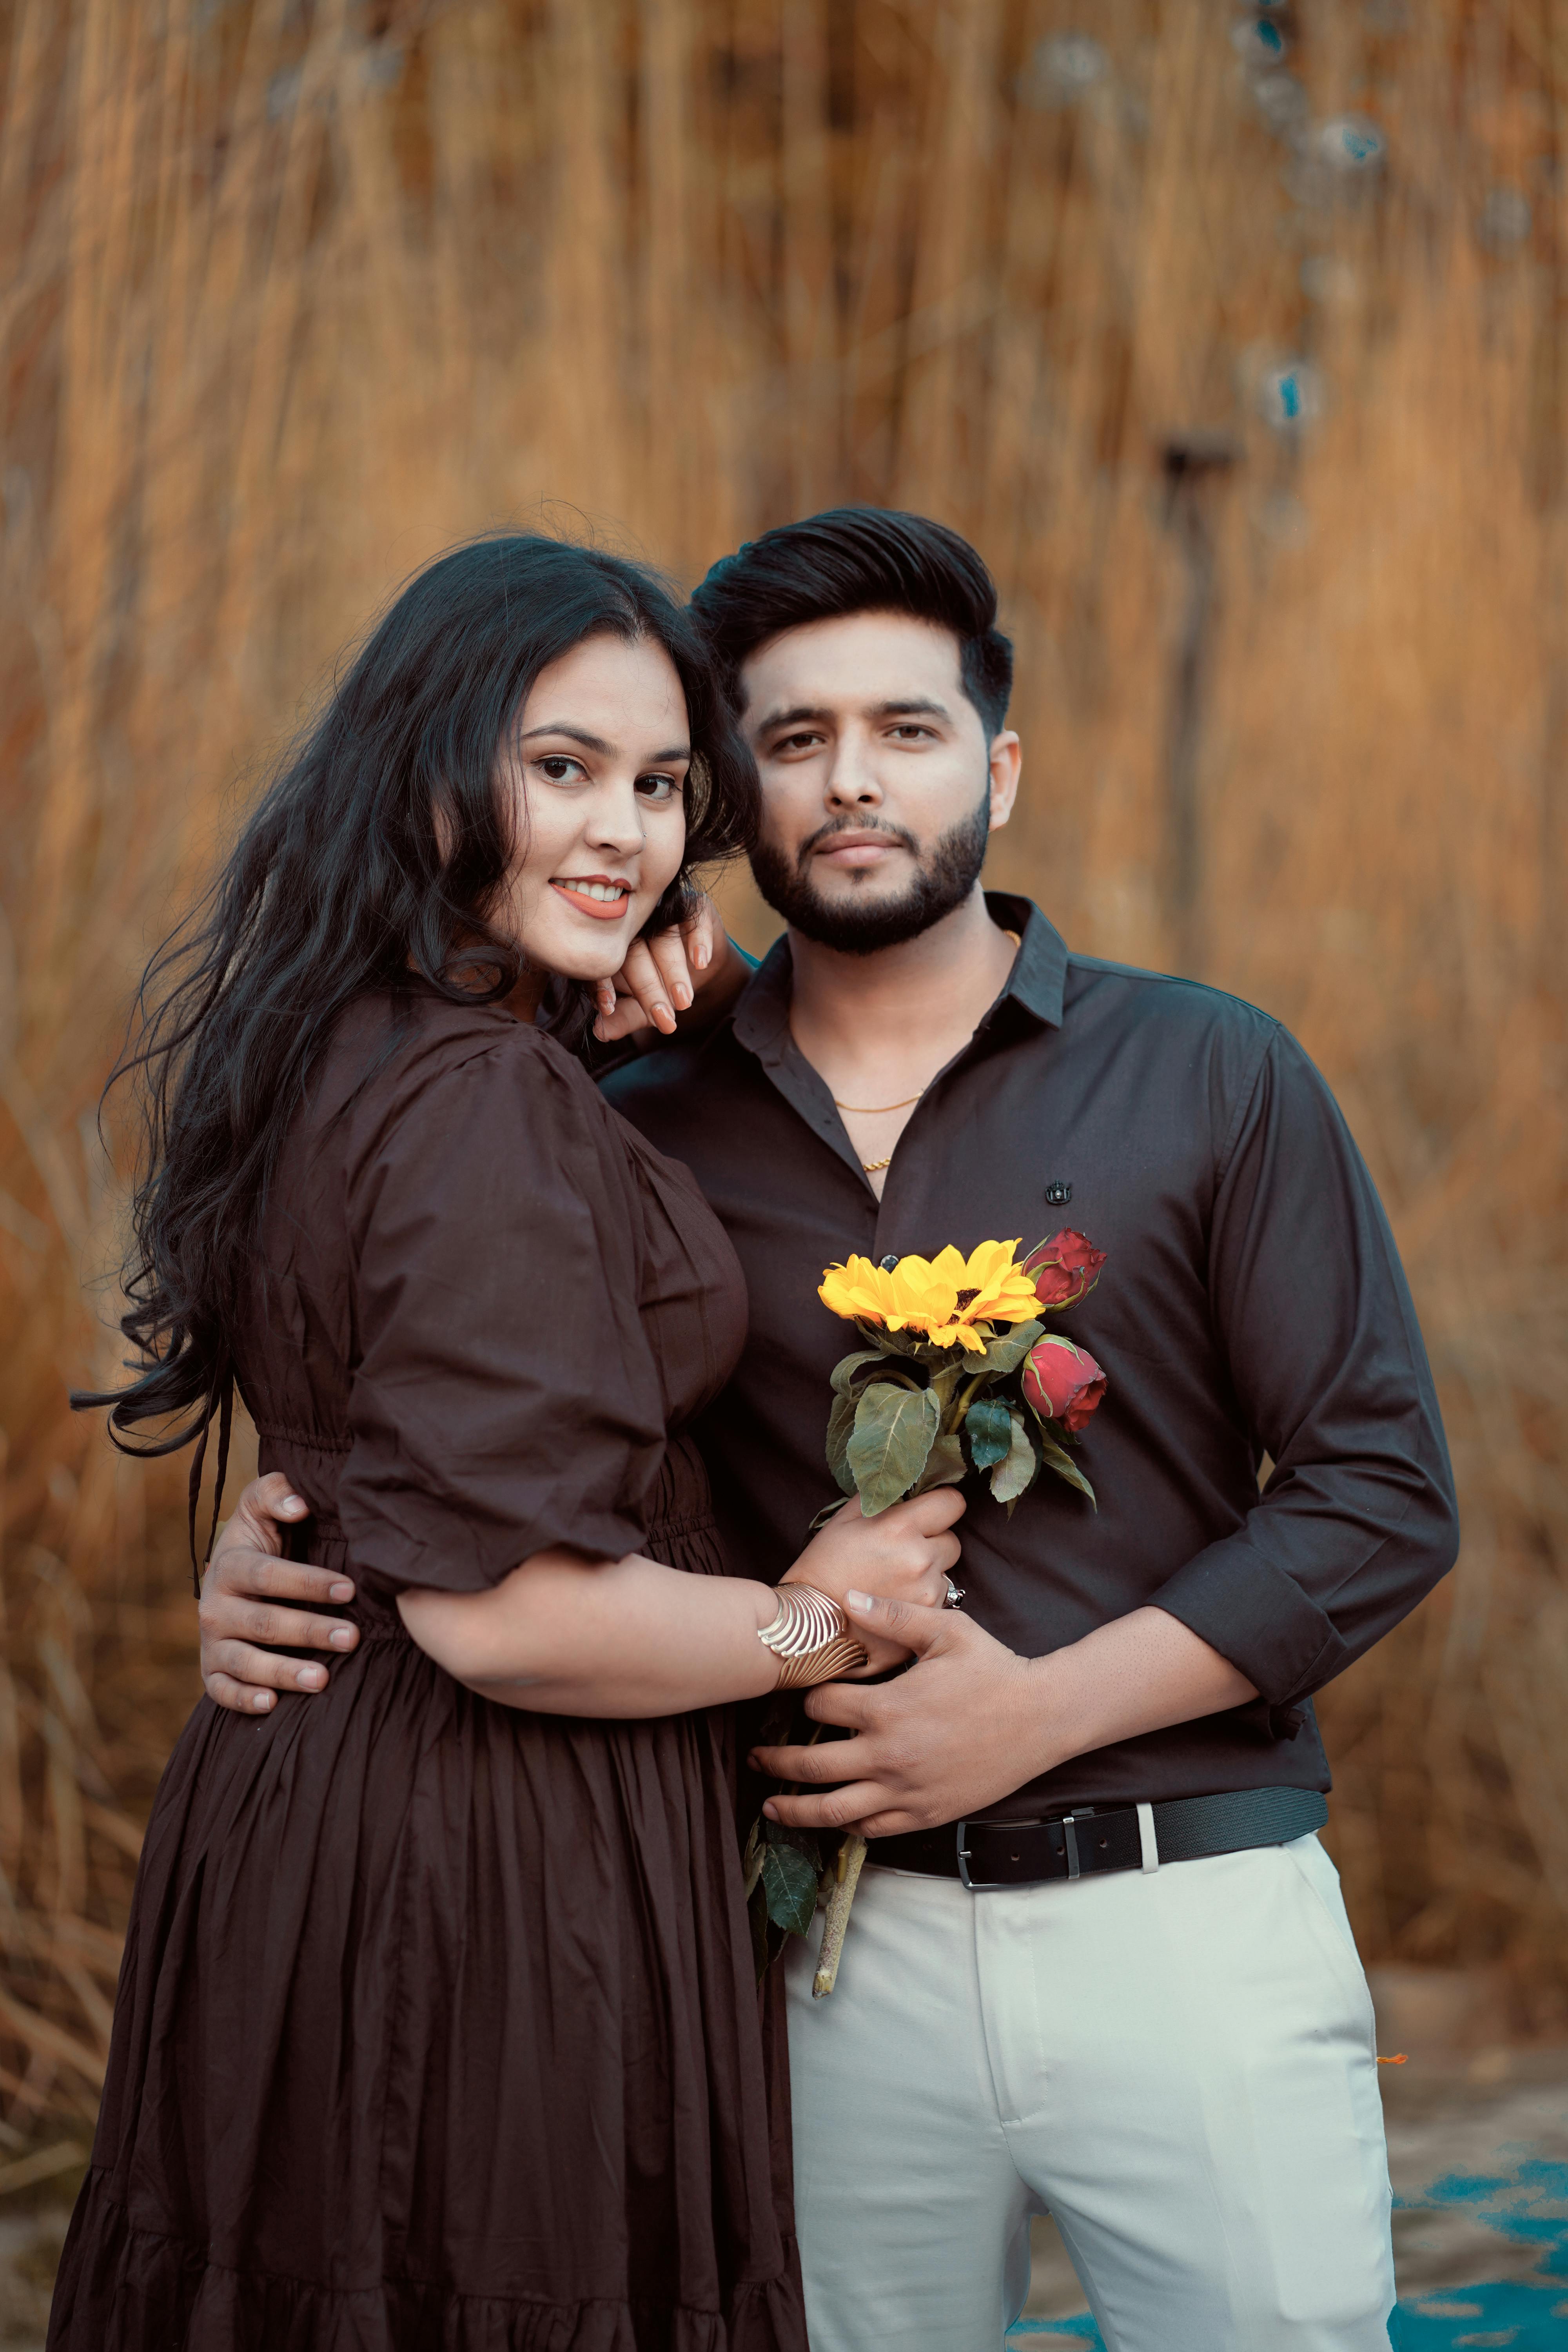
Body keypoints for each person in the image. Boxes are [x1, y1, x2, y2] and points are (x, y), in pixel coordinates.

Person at [202, 509, 1460, 2352]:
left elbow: (1378, 1495)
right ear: (740, 795)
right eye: (793, 740)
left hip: (1183, 1910)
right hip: (807, 1945)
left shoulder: (1208, 1070)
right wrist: (287, 1536)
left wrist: (1037, 1712)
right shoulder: (622, 1110)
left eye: (906, 730)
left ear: (997, 770)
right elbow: (459, 1399)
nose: (852, 781)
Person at [51, 532, 966, 2352]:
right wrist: (825, 1621)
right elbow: (511, 1615)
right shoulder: (481, 1098)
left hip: (332, 1812)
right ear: (429, 766)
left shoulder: (358, 1037)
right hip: (486, 1859)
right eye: (562, 769)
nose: (622, 833)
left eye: (660, 787)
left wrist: (645, 1017)